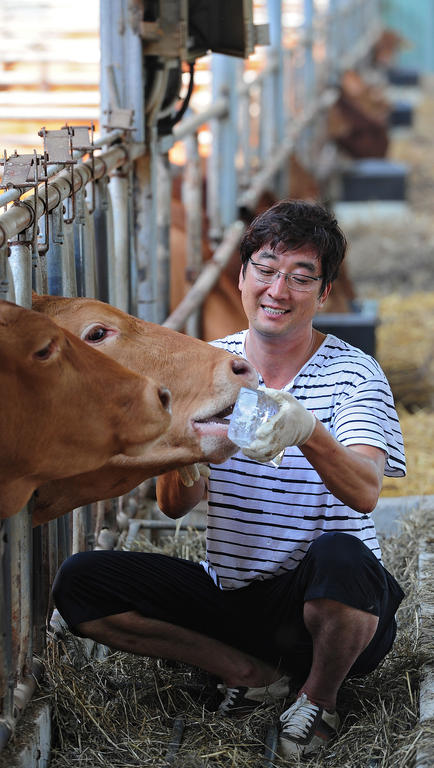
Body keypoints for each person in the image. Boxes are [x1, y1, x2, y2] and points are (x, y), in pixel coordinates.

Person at [53, 199, 406, 758]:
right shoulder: (208, 364)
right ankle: (250, 674)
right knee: (80, 582)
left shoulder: (355, 374)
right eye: (264, 271)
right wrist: (185, 456)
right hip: (233, 596)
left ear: (325, 292)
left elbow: (364, 492)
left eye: (300, 277)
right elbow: (175, 506)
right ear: (240, 277)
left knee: (343, 555)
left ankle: (319, 699)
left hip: (329, 605)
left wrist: (307, 430)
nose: (277, 290)